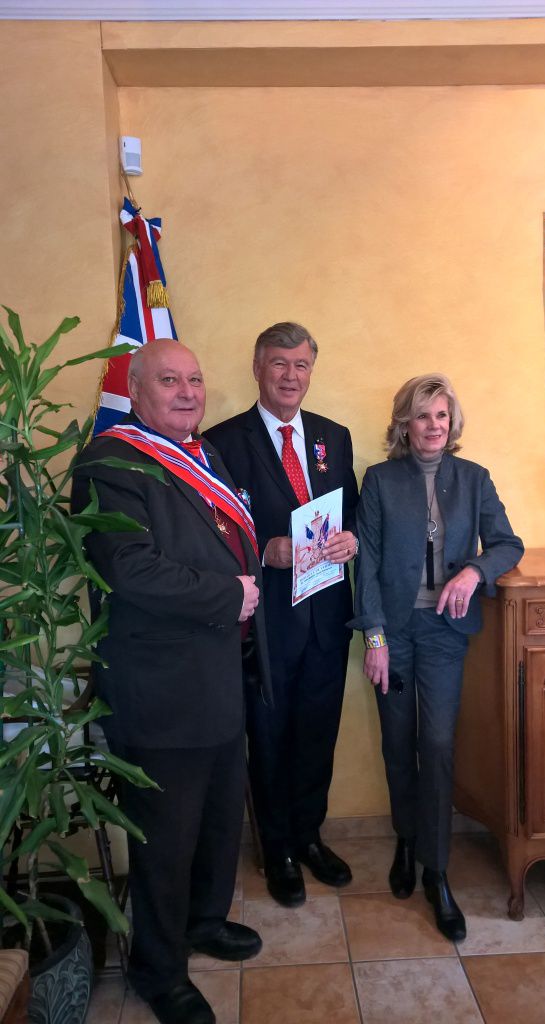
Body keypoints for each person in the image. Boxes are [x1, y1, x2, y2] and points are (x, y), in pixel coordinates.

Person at [72, 339, 271, 1024]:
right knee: (165, 838)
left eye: (194, 379)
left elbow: (228, 541)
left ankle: (204, 921)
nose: (187, 391)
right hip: (159, 691)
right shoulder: (109, 462)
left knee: (218, 821)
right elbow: (132, 571)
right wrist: (230, 597)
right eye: (169, 380)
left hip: (219, 680)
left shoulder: (204, 456)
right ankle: (160, 970)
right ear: (135, 389)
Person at [351, 373, 523, 942]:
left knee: (440, 744)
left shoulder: (473, 479)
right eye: (422, 416)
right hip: (394, 634)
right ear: (405, 422)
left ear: (453, 425)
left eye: (441, 416)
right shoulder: (378, 481)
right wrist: (373, 637)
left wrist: (475, 570)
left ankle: (437, 870)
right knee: (398, 741)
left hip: (445, 634)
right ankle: (406, 839)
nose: (432, 426)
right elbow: (366, 564)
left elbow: (507, 543)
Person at [205, 322, 359, 907]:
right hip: (264, 623)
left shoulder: (333, 437)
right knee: (268, 737)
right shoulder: (220, 442)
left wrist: (349, 540)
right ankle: (278, 849)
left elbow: (348, 509)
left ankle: (309, 835)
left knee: (318, 731)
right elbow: (212, 536)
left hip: (326, 616)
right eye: (279, 364)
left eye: (301, 365)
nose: (291, 376)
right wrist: (264, 550)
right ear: (257, 367)